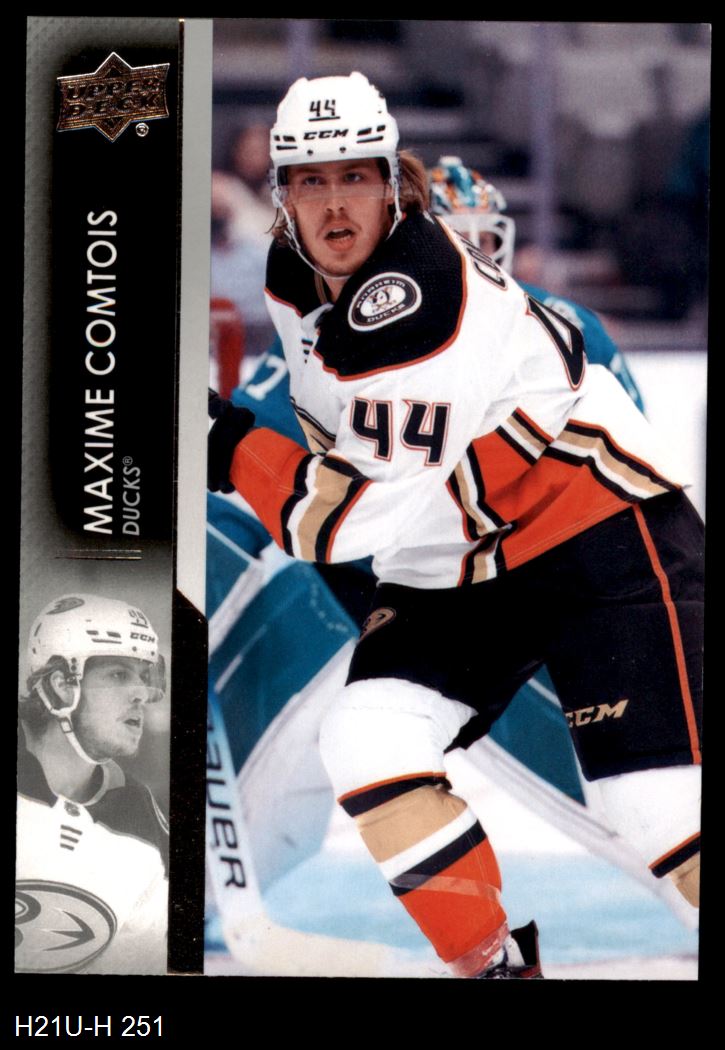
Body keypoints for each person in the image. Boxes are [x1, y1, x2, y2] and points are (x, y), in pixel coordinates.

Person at [208, 72, 702, 979]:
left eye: (353, 176)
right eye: (310, 181)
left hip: (596, 536)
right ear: (280, 194)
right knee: (369, 739)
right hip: (459, 556)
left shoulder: (419, 304)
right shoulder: (290, 273)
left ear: (393, 182)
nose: (333, 204)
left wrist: (228, 443)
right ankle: (493, 966)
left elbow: (341, 524)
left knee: (658, 811)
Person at [16, 593, 169, 975]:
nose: (141, 694)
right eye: (118, 674)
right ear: (61, 686)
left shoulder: (144, 822)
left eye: (144, 676)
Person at [428, 156, 645, 412]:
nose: (473, 254)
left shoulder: (565, 324)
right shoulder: (394, 323)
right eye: (457, 239)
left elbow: (632, 420)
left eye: (483, 240)